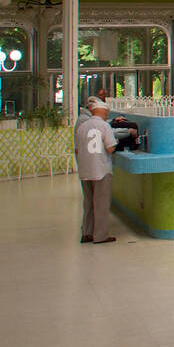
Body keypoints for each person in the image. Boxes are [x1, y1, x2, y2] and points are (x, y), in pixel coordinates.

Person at [75, 96, 117, 245]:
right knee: (101, 204)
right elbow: (110, 148)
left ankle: (86, 233)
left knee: (88, 203)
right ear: (104, 113)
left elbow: (77, 149)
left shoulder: (81, 126)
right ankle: (100, 236)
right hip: (101, 170)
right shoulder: (104, 126)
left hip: (85, 170)